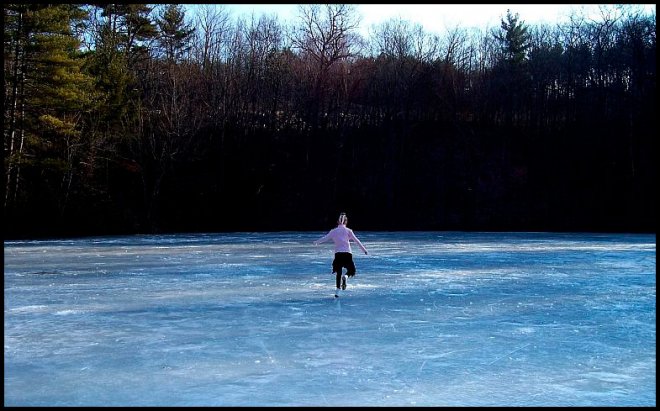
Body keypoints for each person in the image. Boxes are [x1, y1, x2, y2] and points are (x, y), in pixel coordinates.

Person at [313, 212, 368, 298]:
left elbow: (325, 238)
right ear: (346, 222)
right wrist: (364, 250)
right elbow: (357, 241)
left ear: (338, 221)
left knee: (338, 273)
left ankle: (337, 292)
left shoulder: (333, 231)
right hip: (347, 254)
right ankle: (346, 276)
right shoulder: (349, 231)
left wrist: (316, 242)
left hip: (338, 254)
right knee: (352, 270)